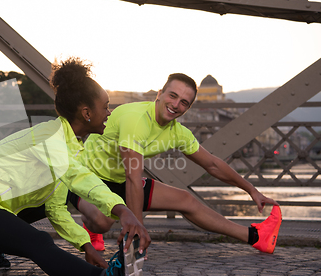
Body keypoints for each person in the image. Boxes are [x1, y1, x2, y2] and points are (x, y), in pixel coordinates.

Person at [0, 57, 151, 276]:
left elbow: (54, 207)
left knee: (48, 206)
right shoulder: (50, 138)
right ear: (86, 112)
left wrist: (85, 245)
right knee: (39, 242)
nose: (109, 112)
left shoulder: (69, 145)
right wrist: (122, 210)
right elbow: (79, 178)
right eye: (106, 106)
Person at [69, 73, 282, 254]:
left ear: (187, 108)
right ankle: (91, 227)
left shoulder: (178, 133)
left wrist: (251, 190)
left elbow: (213, 165)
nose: (175, 105)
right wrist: (138, 237)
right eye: (173, 96)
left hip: (119, 182)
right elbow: (133, 178)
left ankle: (256, 237)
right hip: (86, 177)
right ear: (159, 94)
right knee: (103, 221)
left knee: (186, 200)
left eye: (184, 102)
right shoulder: (136, 118)